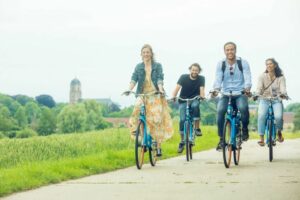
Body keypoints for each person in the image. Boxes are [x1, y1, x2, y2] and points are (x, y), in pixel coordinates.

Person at [124, 44, 173, 157]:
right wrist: (129, 89)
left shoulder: (157, 66)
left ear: (151, 54)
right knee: (136, 109)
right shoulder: (138, 67)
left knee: (156, 119)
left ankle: (158, 145)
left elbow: (160, 78)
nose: (146, 54)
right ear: (141, 54)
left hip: (155, 94)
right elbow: (133, 79)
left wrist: (160, 89)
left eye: (148, 52)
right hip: (143, 94)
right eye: (144, 52)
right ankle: (140, 135)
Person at [211, 42, 252, 151]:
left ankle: (245, 130)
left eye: (232, 49)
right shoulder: (221, 64)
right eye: (227, 50)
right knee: (220, 111)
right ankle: (221, 139)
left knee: (243, 108)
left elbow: (247, 77)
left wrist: (247, 88)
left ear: (235, 50)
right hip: (225, 93)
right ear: (224, 51)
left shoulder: (243, 63)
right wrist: (216, 89)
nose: (230, 52)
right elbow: (218, 78)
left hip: (240, 93)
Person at [171, 63, 205, 153]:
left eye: (196, 70)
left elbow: (202, 90)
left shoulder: (201, 78)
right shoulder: (183, 77)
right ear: (190, 70)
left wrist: (202, 96)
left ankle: (197, 128)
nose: (194, 72)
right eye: (193, 70)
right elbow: (177, 88)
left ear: (199, 71)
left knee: (195, 106)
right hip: (183, 100)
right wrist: (173, 96)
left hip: (195, 99)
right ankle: (182, 141)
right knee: (182, 120)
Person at [255, 58, 288, 146]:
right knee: (261, 115)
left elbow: (283, 88)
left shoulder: (281, 77)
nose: (268, 65)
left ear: (275, 65)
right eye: (267, 64)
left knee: (278, 116)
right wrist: (257, 94)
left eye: (270, 64)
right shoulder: (262, 76)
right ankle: (261, 138)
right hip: (264, 99)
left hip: (277, 100)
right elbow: (259, 88)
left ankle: (279, 132)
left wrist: (283, 94)